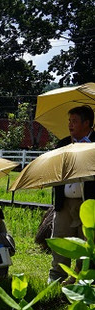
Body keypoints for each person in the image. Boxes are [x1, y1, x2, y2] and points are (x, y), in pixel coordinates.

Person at [48, 105, 95, 283]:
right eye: (69, 121)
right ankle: (56, 276)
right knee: (60, 239)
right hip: (64, 202)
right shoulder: (63, 144)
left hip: (89, 203)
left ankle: (85, 278)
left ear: (87, 123)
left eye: (74, 121)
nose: (70, 125)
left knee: (88, 241)